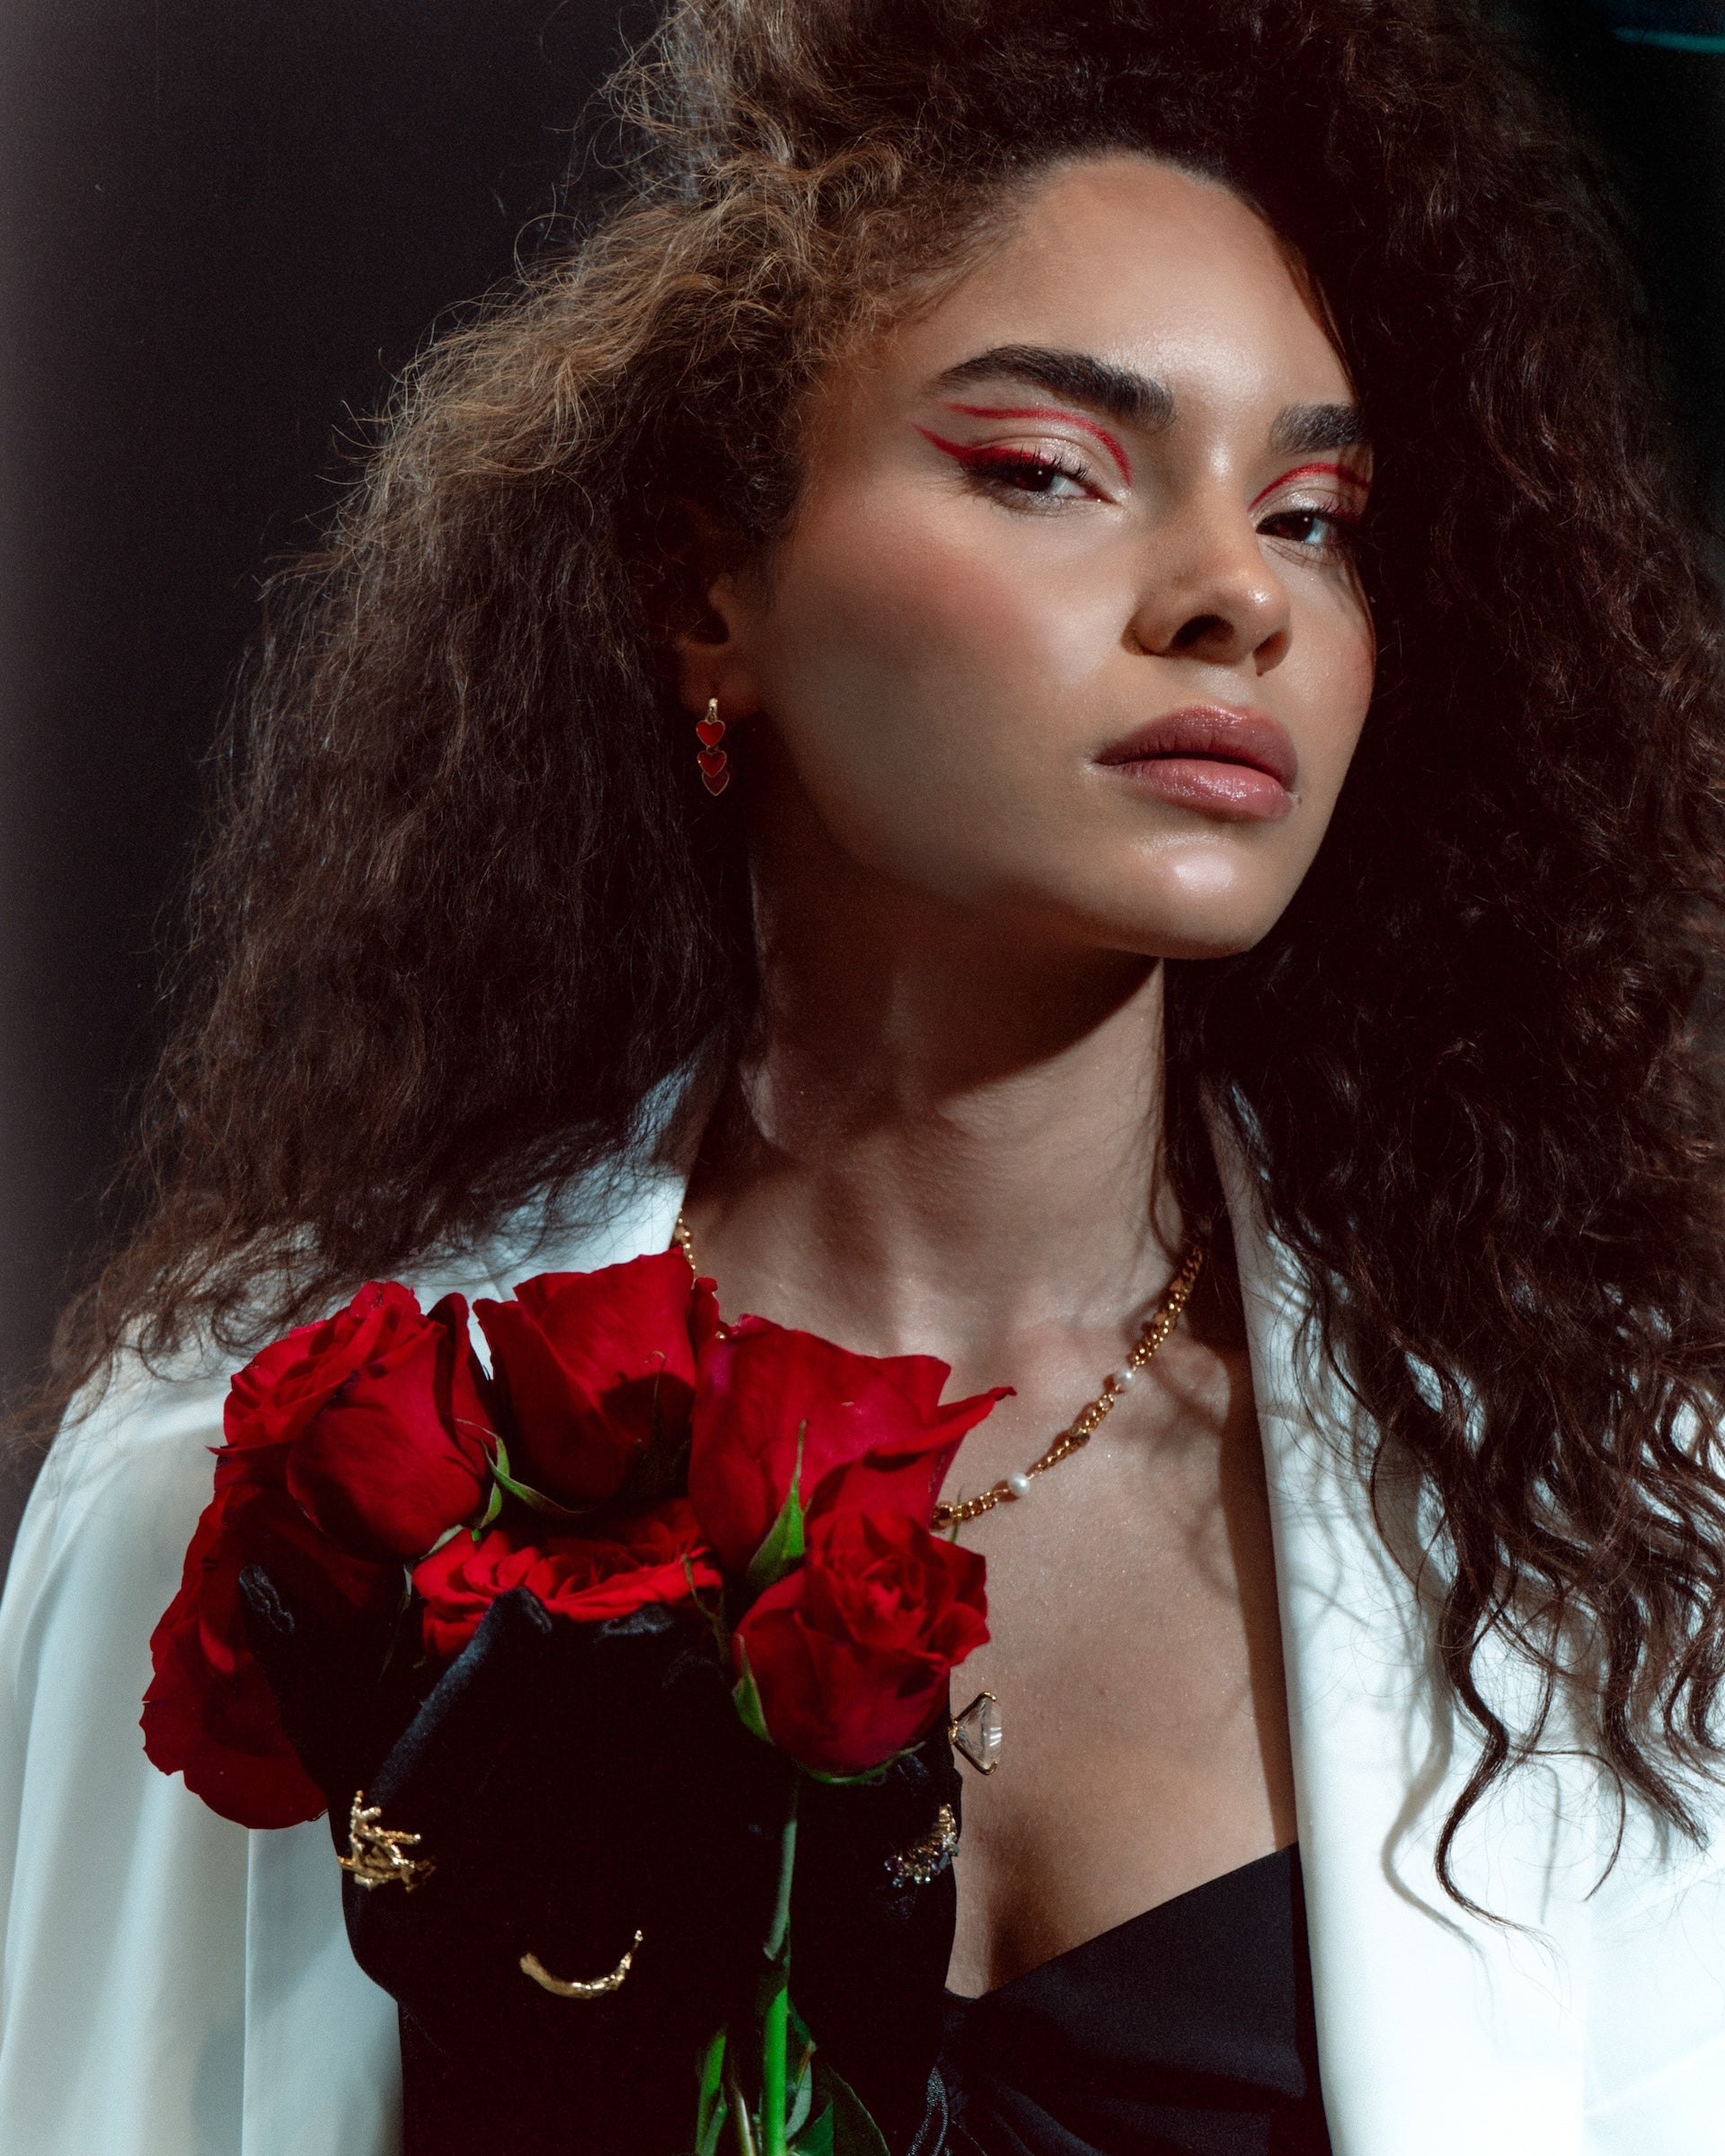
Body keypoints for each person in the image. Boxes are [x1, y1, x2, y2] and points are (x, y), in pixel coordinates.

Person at [4, 0, 1725, 2149]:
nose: (1233, 600)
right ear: (700, 582)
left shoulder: (1615, 1520)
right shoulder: (260, 1463)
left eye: (1311, 514)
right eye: (1044, 472)